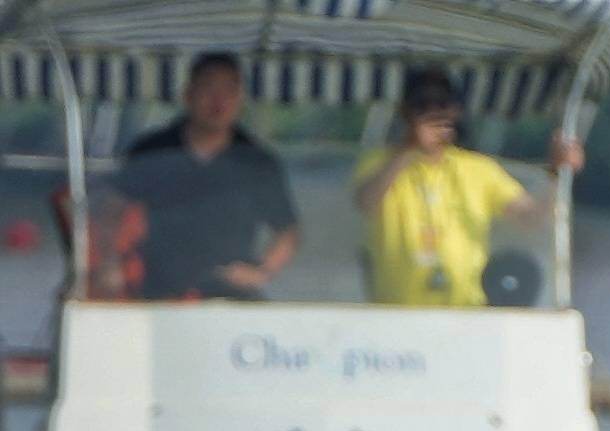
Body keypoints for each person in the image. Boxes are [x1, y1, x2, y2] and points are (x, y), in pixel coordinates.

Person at [353, 67, 582, 307]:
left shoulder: (479, 169)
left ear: (455, 111)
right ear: (405, 111)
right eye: (422, 104)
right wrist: (409, 151)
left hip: (466, 310)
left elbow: (531, 218)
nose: (433, 112)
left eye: (441, 103)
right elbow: (365, 202)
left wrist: (557, 174)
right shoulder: (379, 162)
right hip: (396, 310)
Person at [109, 53, 298, 302]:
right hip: (157, 290)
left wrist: (263, 272)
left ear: (240, 99)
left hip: (231, 293)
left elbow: (287, 230)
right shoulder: (153, 152)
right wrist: (109, 266)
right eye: (208, 89)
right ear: (188, 94)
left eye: (229, 91)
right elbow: (110, 211)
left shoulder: (256, 162)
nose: (218, 101)